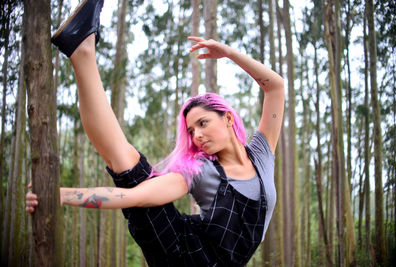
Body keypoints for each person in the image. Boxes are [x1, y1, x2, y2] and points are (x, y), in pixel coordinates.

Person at [26, 0, 285, 266]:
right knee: (129, 167)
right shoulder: (200, 170)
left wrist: (228, 52)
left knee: (131, 166)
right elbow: (132, 196)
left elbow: (275, 87)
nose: (196, 135)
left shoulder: (262, 154)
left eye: (203, 123)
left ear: (228, 117)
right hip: (179, 251)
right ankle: (82, 53)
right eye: (191, 130)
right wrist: (61, 195)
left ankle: (81, 49)